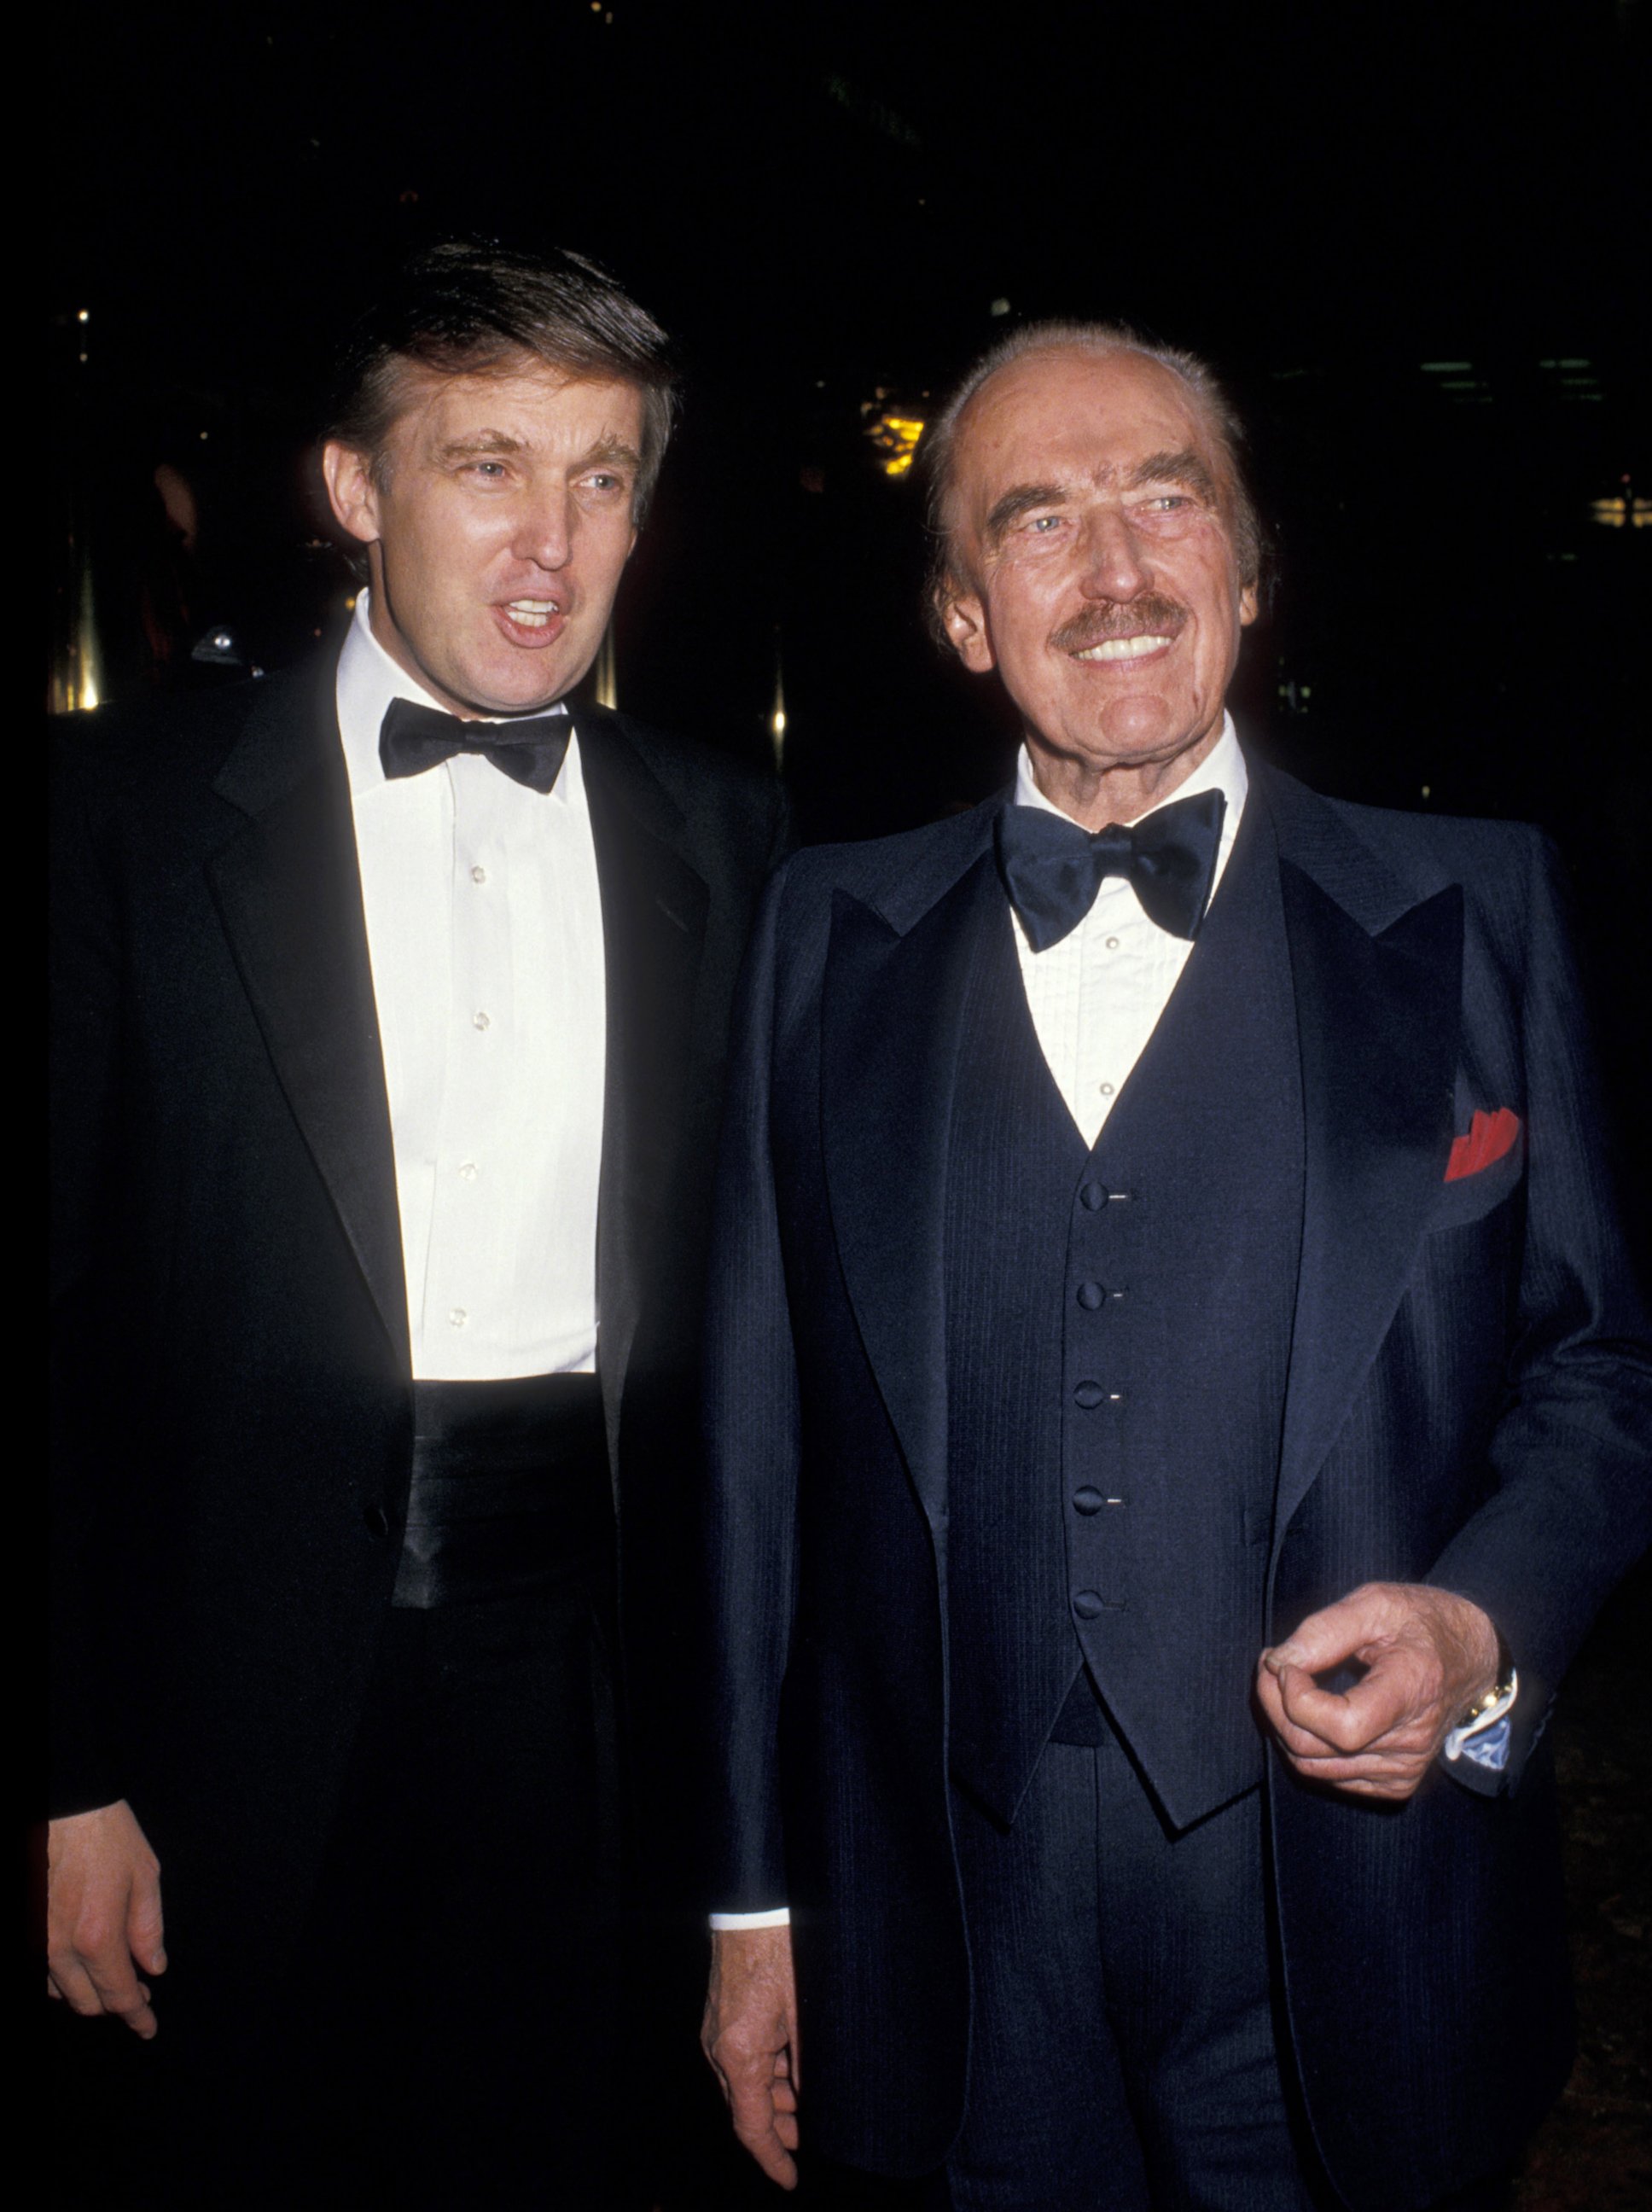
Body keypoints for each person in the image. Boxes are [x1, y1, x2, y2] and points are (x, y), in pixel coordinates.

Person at [697, 322, 1651, 2210]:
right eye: (1038, 521)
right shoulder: (819, 934)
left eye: (1165, 500)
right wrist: (749, 1902)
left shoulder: (1477, 908)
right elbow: (751, 1450)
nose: (1117, 568)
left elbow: (1601, 1367)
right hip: (946, 1910)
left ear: (1244, 562)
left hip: (1343, 1904)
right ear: (964, 616)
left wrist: (1476, 1634)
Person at [49, 240, 789, 2207]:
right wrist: (64, 1765)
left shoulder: (732, 837)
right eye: (485, 466)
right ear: (354, 488)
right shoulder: (113, 818)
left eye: (603, 475)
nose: (550, 544)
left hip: (599, 1699)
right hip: (218, 1693)